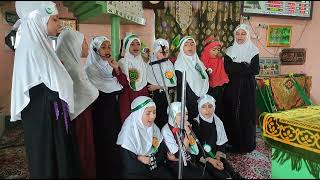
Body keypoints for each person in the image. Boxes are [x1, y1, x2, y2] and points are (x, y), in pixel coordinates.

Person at [10, 1, 79, 178]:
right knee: (47, 160)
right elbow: (46, 86)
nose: (59, 24)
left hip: (51, 115)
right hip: (45, 117)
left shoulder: (41, 45)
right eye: (55, 19)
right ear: (39, 21)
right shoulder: (33, 48)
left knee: (56, 160)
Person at [56, 30, 99, 178]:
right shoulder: (73, 67)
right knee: (83, 146)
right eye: (84, 43)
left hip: (72, 113)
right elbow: (90, 92)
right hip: (80, 115)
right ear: (73, 45)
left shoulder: (67, 62)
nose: (86, 46)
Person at [85, 36, 125, 178]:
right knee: (103, 141)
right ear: (95, 50)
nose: (108, 50)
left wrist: (116, 69)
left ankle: (115, 170)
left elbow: (122, 85)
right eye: (103, 47)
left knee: (114, 138)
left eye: (109, 47)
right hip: (99, 111)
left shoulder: (111, 66)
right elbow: (102, 88)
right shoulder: (90, 69)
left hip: (112, 110)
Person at [223, 24, 260, 153]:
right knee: (232, 113)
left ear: (247, 35)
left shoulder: (253, 51)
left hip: (247, 88)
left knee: (245, 114)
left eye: (243, 34)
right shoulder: (229, 51)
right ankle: (232, 143)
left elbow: (255, 69)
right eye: (237, 34)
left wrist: (237, 67)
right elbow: (228, 68)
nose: (240, 36)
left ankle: (246, 144)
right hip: (232, 86)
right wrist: (245, 66)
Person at [116, 96, 173, 179]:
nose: (153, 116)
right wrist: (145, 161)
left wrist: (151, 160)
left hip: (155, 168)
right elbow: (130, 165)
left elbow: (162, 152)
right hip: (137, 173)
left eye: (154, 112)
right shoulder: (128, 135)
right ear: (138, 114)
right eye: (148, 113)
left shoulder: (154, 129)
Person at [192, 94, 243, 179]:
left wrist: (218, 158)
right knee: (220, 175)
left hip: (216, 155)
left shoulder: (218, 122)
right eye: (203, 106)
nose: (207, 110)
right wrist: (211, 160)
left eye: (210, 106)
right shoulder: (195, 124)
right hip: (203, 158)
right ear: (199, 108)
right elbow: (196, 148)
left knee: (230, 171)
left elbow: (221, 144)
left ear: (214, 107)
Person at [161, 102, 211, 179]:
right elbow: (179, 154)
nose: (184, 117)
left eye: (186, 114)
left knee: (206, 175)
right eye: (180, 114)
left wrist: (189, 133)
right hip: (175, 165)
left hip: (188, 161)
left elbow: (195, 151)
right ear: (172, 115)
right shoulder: (166, 130)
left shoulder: (184, 127)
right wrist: (187, 134)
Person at [174, 36, 209, 124]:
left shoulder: (199, 62)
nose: (190, 47)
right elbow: (182, 84)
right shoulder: (179, 64)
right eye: (186, 45)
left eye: (192, 44)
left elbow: (204, 79)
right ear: (182, 48)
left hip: (202, 98)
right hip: (188, 100)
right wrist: (195, 98)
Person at [118, 34, 150, 123]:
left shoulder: (144, 62)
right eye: (132, 44)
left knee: (143, 119)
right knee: (129, 120)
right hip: (128, 95)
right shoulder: (122, 62)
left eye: (138, 44)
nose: (136, 47)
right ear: (127, 46)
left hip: (143, 93)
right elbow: (122, 81)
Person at [147, 38, 177, 129]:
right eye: (161, 52)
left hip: (166, 96)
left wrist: (158, 86)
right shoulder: (150, 64)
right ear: (155, 52)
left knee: (164, 118)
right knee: (154, 118)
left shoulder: (169, 64)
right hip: (154, 96)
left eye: (166, 51)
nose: (164, 54)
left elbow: (172, 83)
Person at [200, 37, 229, 119]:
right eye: (214, 49)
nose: (216, 52)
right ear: (207, 49)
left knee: (217, 110)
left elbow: (222, 76)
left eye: (218, 50)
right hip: (205, 90)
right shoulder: (201, 61)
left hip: (218, 90)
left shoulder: (219, 61)